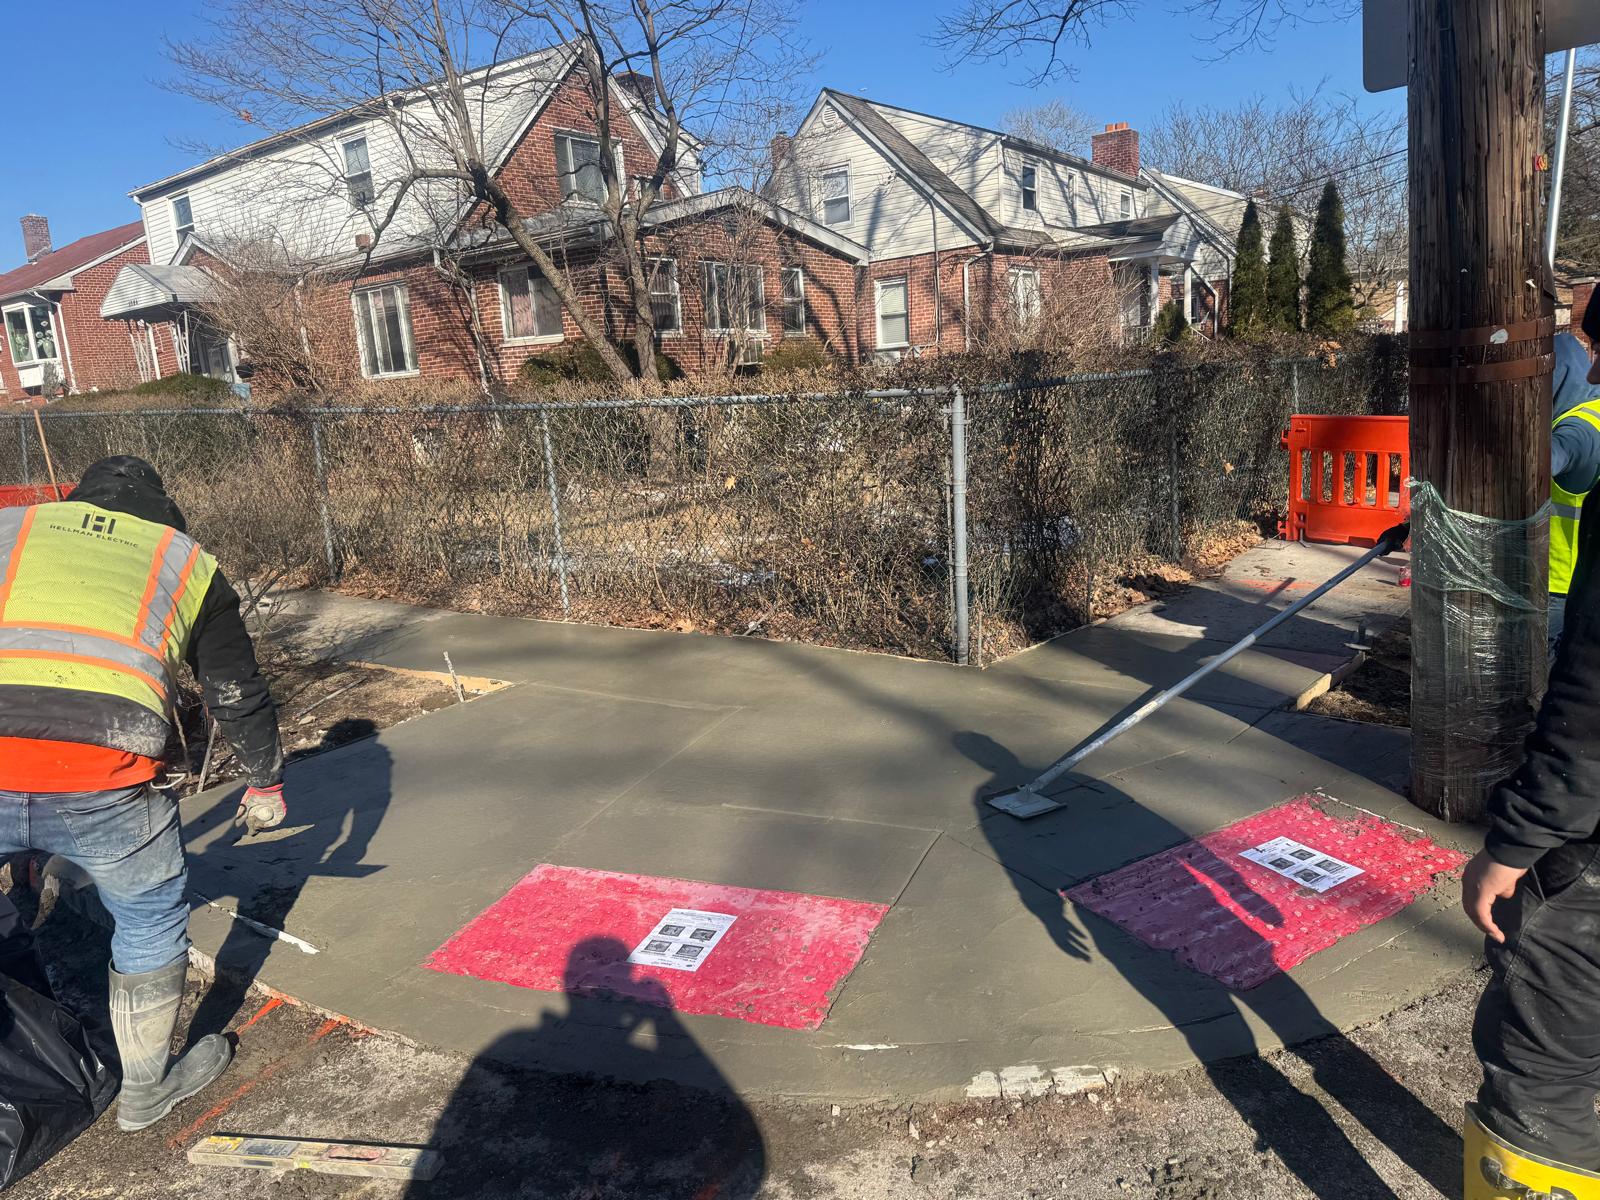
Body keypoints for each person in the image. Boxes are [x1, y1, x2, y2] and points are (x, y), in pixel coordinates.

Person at [0, 456, 285, 1132]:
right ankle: (145, 1093)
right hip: (103, 767)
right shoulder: (183, 562)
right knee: (149, 916)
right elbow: (234, 688)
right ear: (162, 515)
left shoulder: (12, 527)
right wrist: (265, 781)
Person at [1461, 309, 1600, 1195]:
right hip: (1558, 588)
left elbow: (1591, 718)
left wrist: (1515, 844)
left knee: (1542, 1076)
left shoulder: (1585, 427)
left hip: (1553, 591)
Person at [1548, 297, 1600, 658]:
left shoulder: (1577, 429)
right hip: (1573, 582)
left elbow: (1544, 460)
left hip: (1559, 585)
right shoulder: (1592, 410)